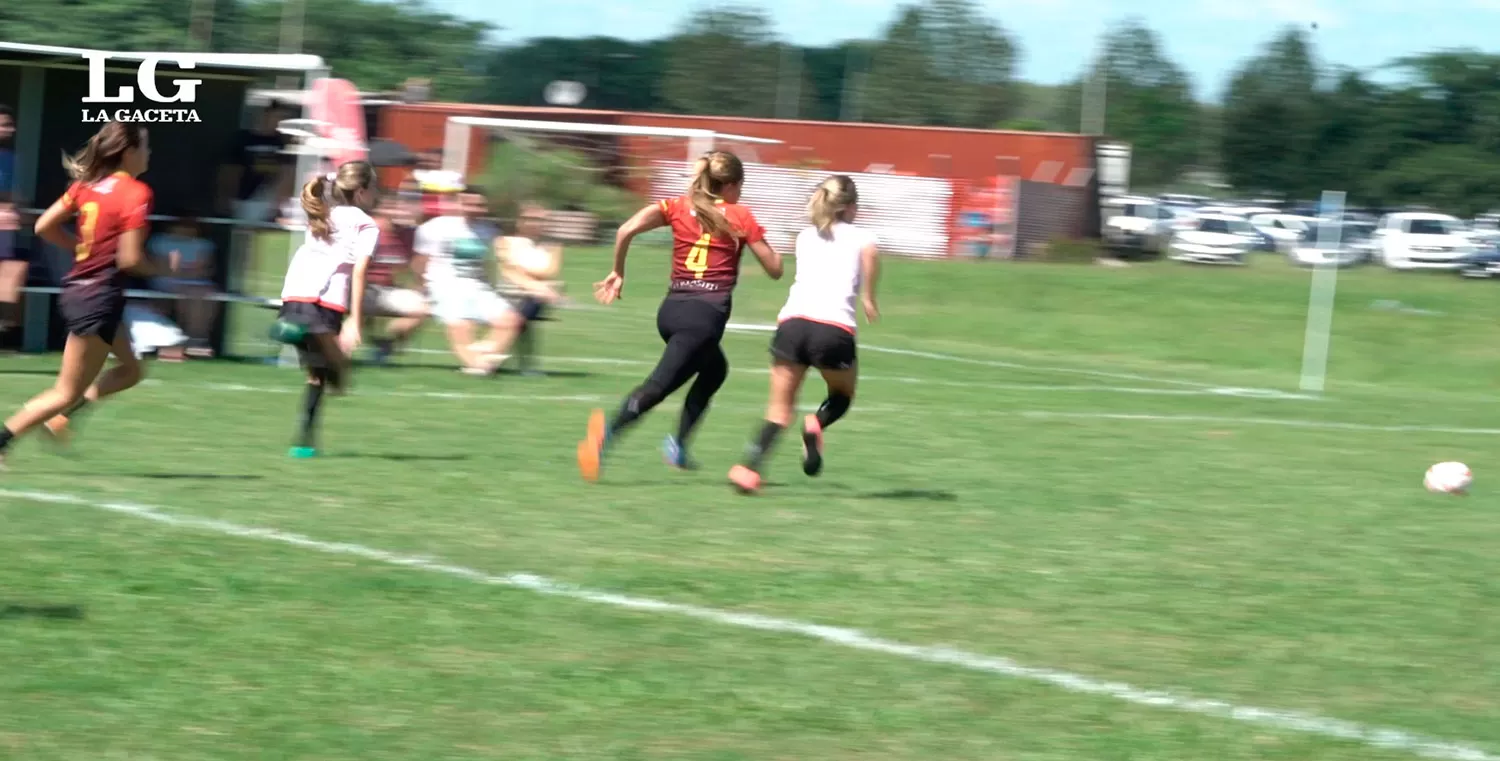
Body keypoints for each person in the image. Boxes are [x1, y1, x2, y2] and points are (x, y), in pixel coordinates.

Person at [577, 151, 783, 482]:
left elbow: (625, 229)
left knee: (716, 370)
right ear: (730, 185)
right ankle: (604, 437)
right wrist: (765, 243)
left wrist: (618, 271)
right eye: (740, 187)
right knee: (659, 386)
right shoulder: (739, 215)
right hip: (702, 319)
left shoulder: (675, 206)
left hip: (672, 310)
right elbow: (775, 269)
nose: (741, 194)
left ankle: (678, 446)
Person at [0, 122, 155, 467]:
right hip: (97, 296)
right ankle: (4, 439)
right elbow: (130, 259)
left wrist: (80, 247)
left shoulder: (87, 185)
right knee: (63, 392)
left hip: (87, 292)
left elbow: (43, 226)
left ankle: (63, 418)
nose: (149, 153)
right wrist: (163, 269)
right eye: (145, 146)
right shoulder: (135, 192)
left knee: (130, 370)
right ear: (128, 151)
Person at [728, 175, 880, 494]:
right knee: (841, 395)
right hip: (833, 329)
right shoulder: (863, 237)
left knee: (778, 411)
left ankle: (748, 469)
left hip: (793, 325)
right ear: (851, 206)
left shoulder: (805, 236)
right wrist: (869, 297)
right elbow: (871, 259)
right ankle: (816, 424)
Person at [273, 161, 378, 458]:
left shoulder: (321, 213)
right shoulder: (365, 224)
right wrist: (355, 322)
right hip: (325, 303)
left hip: (294, 296)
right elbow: (359, 273)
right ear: (360, 192)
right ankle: (310, 340)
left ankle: (303, 443)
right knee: (335, 374)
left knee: (319, 374)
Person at [413, 187, 521, 375]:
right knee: (462, 325)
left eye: (479, 205)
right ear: (459, 204)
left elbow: (489, 264)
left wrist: (492, 288)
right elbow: (421, 261)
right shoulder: (436, 227)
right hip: (444, 285)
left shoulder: (489, 232)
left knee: (511, 321)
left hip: (477, 286)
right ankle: (479, 364)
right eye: (468, 203)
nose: (473, 208)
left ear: (485, 207)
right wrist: (423, 289)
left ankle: (480, 359)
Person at [496, 203, 562, 374]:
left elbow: (550, 271)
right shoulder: (505, 241)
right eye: (530, 219)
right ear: (519, 221)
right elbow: (508, 271)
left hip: (537, 293)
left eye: (540, 220)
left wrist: (526, 273)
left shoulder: (552, 246)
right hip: (509, 290)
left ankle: (496, 352)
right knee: (534, 300)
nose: (535, 223)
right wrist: (534, 283)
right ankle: (518, 361)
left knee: (533, 301)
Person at [367, 197, 429, 363]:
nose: (395, 211)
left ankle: (386, 344)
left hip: (388, 290)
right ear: (378, 210)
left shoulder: (408, 234)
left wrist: (419, 284)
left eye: (397, 207)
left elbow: (417, 263)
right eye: (389, 207)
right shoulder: (367, 231)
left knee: (422, 309)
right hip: (361, 289)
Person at [147, 216, 218, 359]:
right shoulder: (159, 241)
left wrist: (180, 270)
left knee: (207, 296)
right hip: (164, 282)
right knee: (182, 296)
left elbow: (204, 269)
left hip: (196, 284)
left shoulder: (203, 244)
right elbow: (163, 268)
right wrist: (180, 270)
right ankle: (171, 341)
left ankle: (197, 340)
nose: (185, 230)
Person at [0, 105, 22, 342]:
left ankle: (7, 328)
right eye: (4, 124)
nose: (10, 129)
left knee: (13, 269)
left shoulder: (9, 159)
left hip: (4, 229)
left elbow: (13, 196)